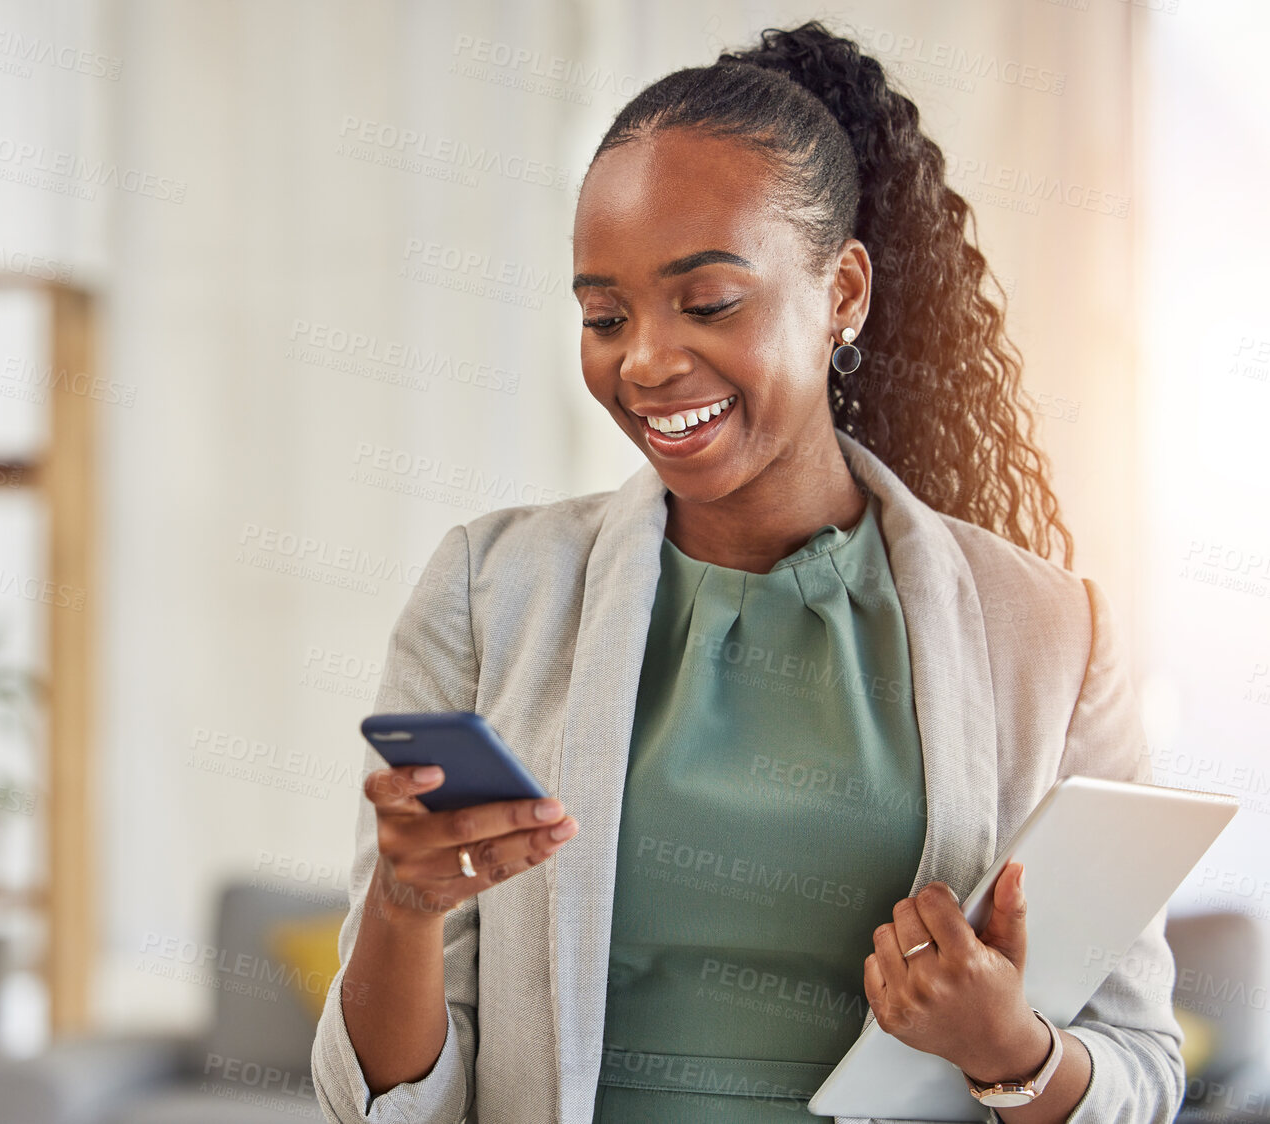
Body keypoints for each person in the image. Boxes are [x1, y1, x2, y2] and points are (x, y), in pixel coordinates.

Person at [311, 21, 1181, 1124]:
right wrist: (402, 909)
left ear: (844, 293)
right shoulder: (492, 591)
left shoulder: (1049, 635)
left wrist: (1009, 1047)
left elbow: (1143, 1067)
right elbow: (378, 1104)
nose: (645, 361)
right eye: (603, 316)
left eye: (708, 303)